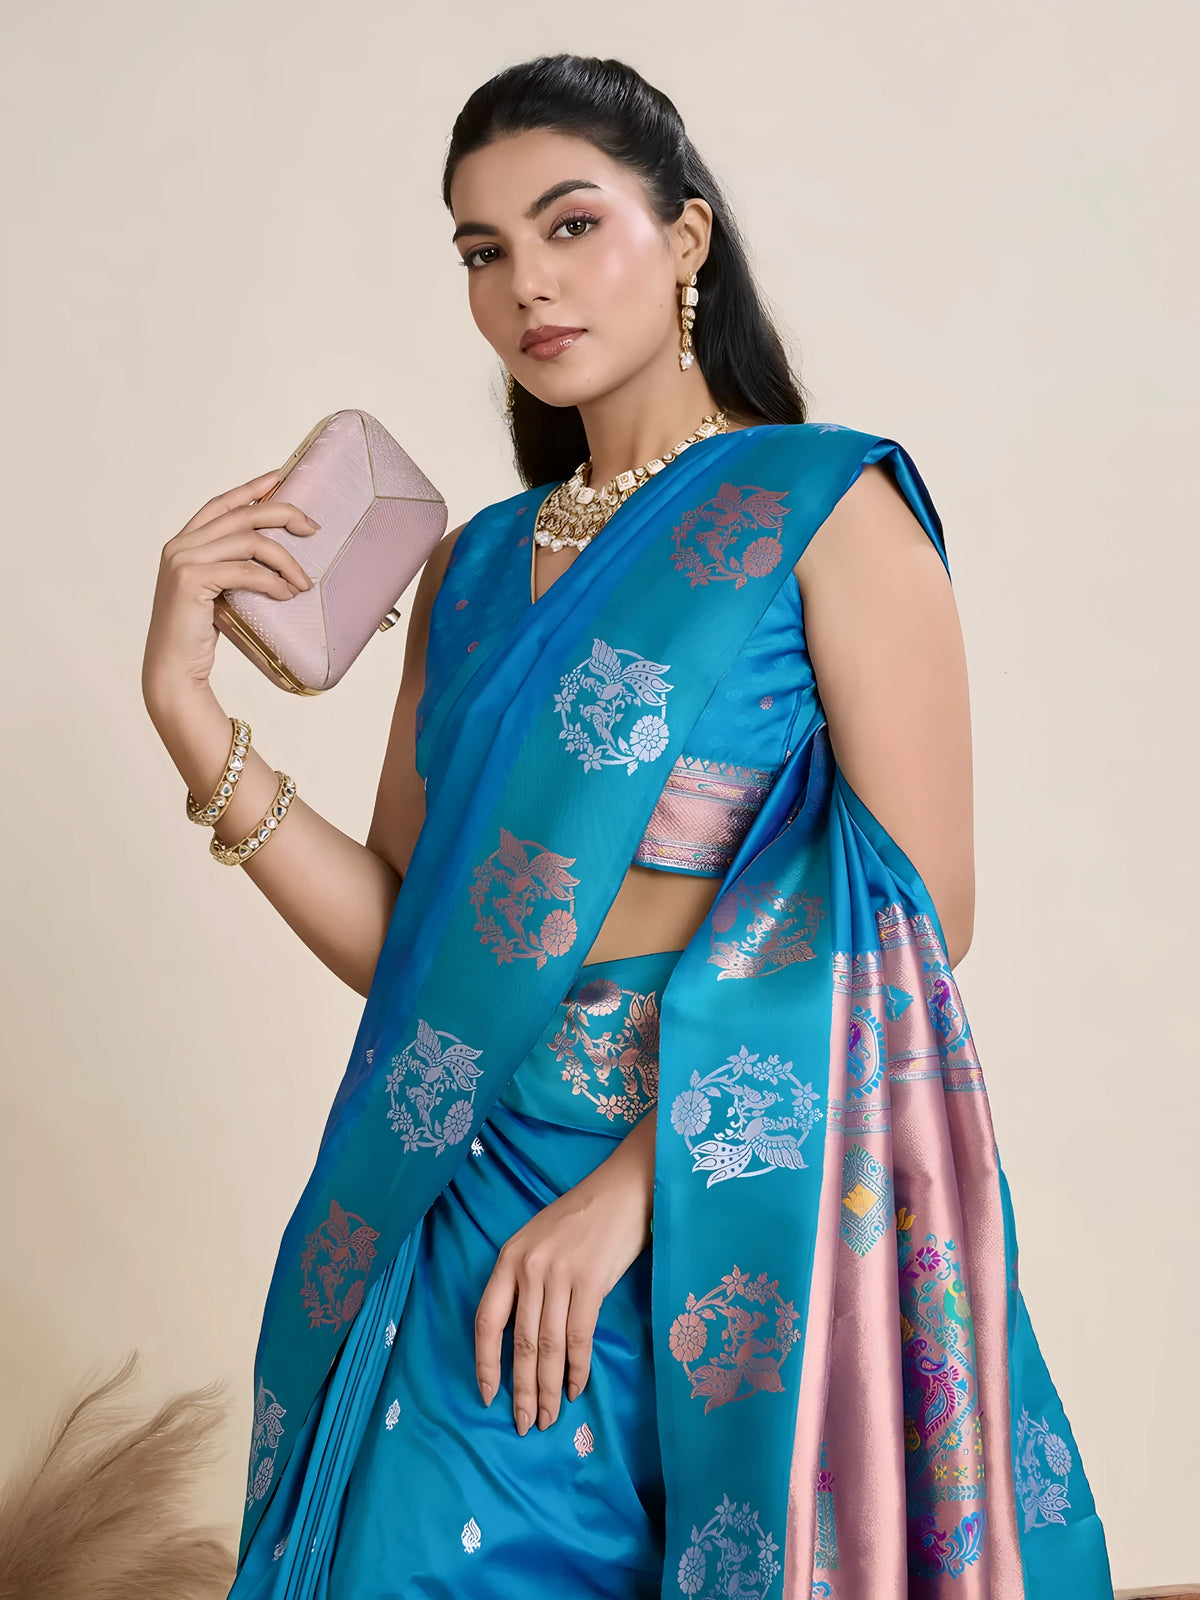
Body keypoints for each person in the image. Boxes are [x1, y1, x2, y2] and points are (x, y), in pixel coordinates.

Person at [141, 51, 1113, 1600]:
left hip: (748, 1186)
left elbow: (917, 918)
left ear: (690, 239)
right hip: (468, 1181)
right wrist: (191, 711)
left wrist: (633, 1190)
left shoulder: (821, 508)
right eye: (482, 250)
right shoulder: (467, 576)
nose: (527, 283)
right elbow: (414, 948)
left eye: (570, 223)